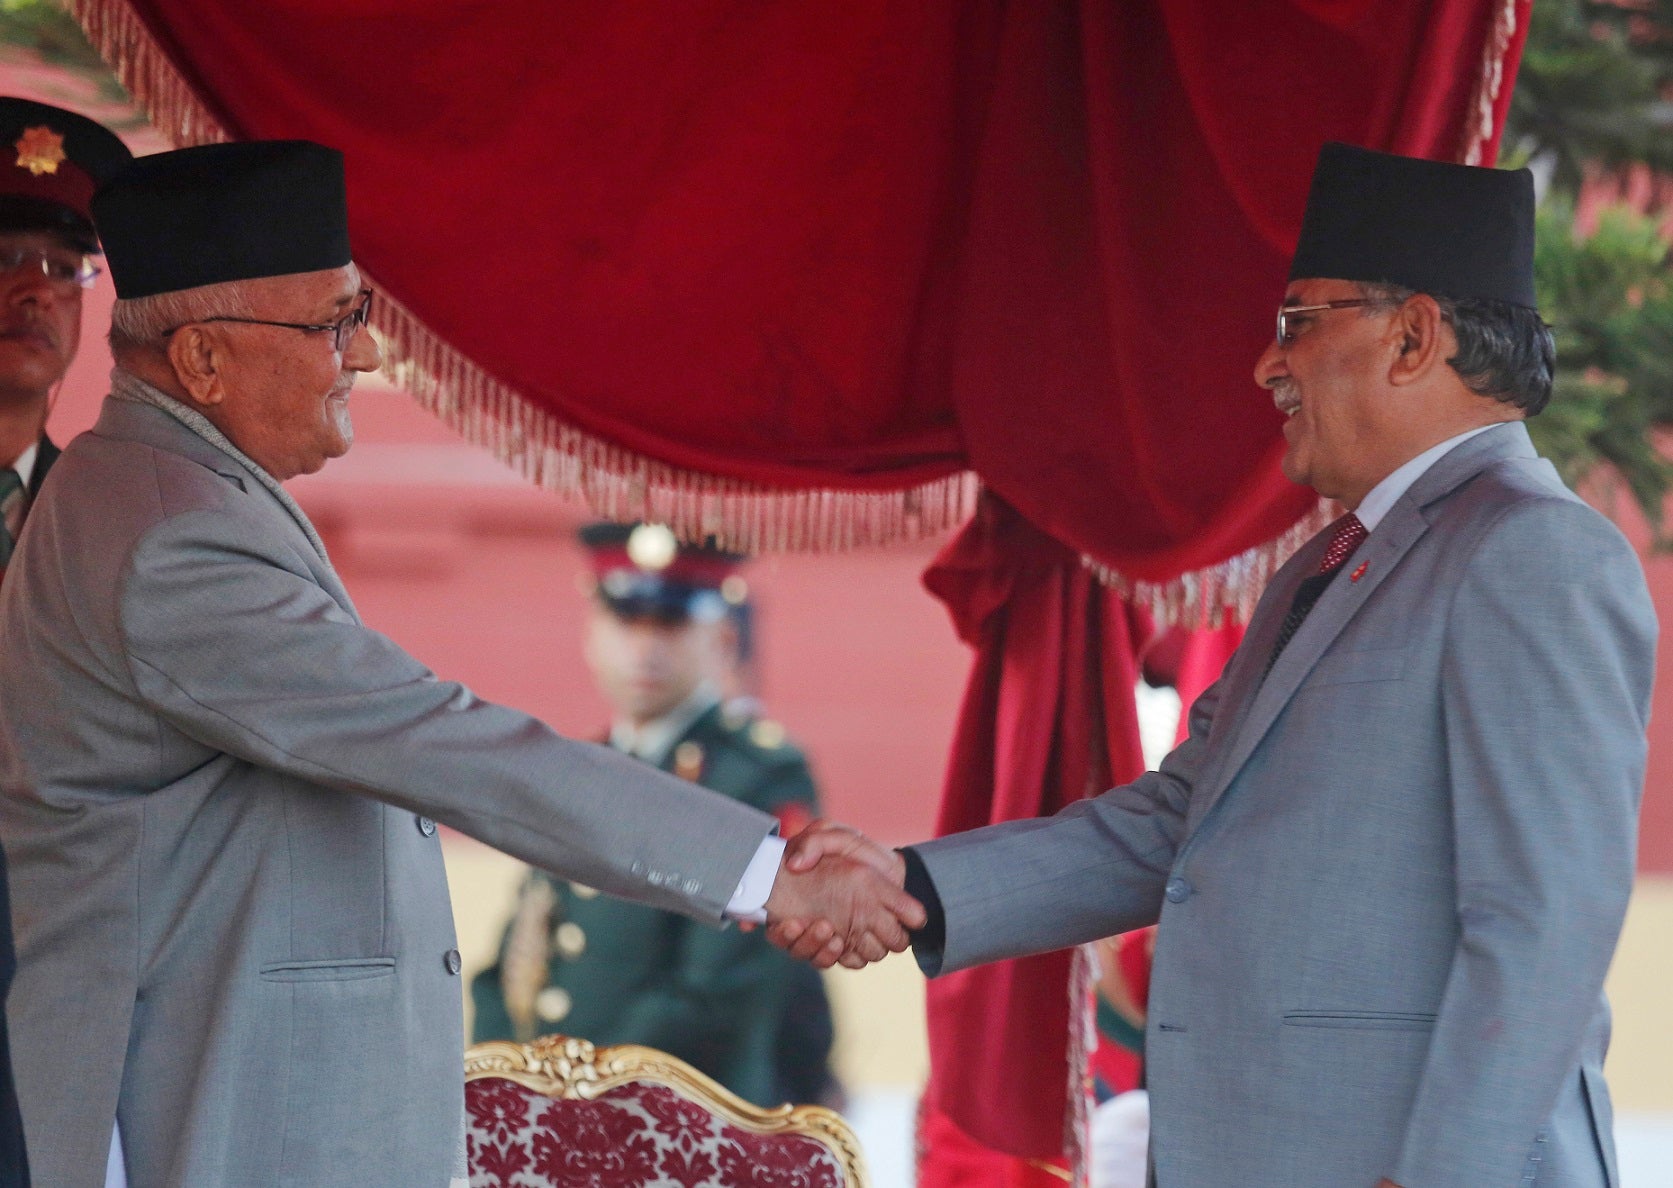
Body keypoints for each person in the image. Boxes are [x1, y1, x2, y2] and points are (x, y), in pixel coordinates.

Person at [0, 140, 920, 1188]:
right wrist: (762, 876)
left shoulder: (175, 488)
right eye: (330, 324)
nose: (365, 354)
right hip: (199, 1111)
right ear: (204, 360)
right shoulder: (168, 534)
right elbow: (434, 740)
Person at [775, 143, 1655, 1188]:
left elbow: (1542, 926)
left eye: (1297, 324)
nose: (1265, 366)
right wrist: (916, 886)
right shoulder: (1324, 566)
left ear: (1412, 336)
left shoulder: (1529, 551)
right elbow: (1176, 819)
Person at [471, 521, 837, 1107]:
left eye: (671, 625)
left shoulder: (756, 775)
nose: (645, 648)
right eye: (626, 622)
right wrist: (502, 1089)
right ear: (591, 634)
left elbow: (720, 990)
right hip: (560, 1119)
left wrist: (568, 1092)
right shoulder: (583, 768)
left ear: (721, 640)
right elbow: (514, 959)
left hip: (678, 1123)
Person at [0, 96, 132, 1188]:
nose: (33, 288)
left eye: (64, 263)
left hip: (69, 992)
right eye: (1, 254)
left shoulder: (117, 525)